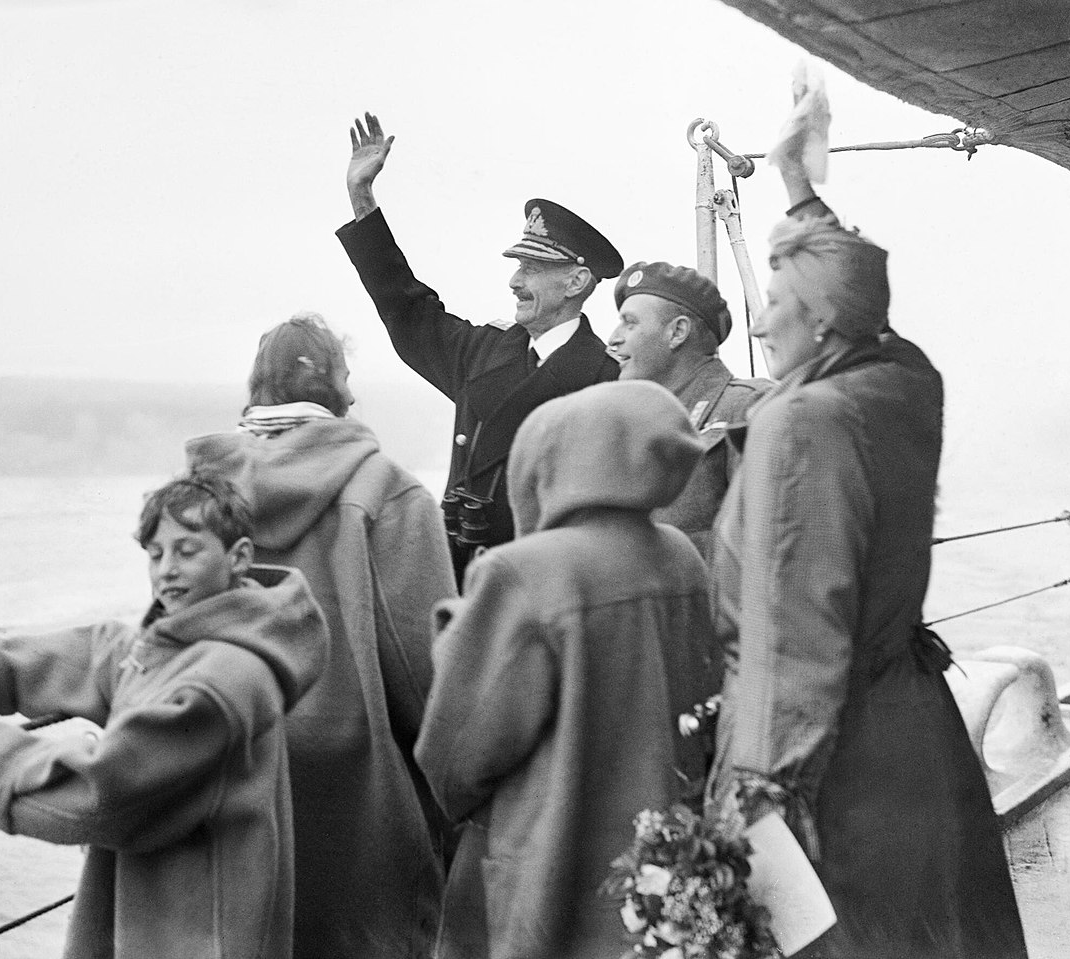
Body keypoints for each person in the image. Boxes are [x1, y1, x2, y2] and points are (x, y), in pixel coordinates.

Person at [703, 124, 1028, 957]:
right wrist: (802, 197)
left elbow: (796, 636)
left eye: (778, 305)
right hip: (914, 736)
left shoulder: (801, 423)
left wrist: (754, 802)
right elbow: (871, 306)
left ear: (821, 323)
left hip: (837, 766)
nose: (761, 322)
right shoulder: (906, 382)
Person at [0, 476, 328, 959]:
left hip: (199, 937)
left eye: (187, 551)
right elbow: (102, 653)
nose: (167, 570)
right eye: (155, 554)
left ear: (238, 556)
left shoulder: (223, 681)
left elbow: (106, 793)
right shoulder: (195, 645)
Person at [414, 380, 724, 959]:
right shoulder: (681, 557)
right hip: (659, 873)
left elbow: (455, 758)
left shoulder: (523, 573)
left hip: (548, 878)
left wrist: (454, 636)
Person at [186, 311, 455, 959]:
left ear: (257, 389)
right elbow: (429, 676)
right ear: (342, 394)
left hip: (221, 782)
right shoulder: (388, 492)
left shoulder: (195, 498)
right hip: (352, 807)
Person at [337, 112, 622, 581]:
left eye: (531, 269)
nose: (514, 281)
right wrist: (362, 198)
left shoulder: (608, 380)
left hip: (541, 592)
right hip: (460, 586)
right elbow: (405, 306)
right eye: (518, 266)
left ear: (576, 282)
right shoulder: (484, 351)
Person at [608, 261, 770, 557]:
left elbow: (763, 542)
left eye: (630, 323)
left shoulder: (747, 407)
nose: (614, 338)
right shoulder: (631, 424)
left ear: (677, 332)